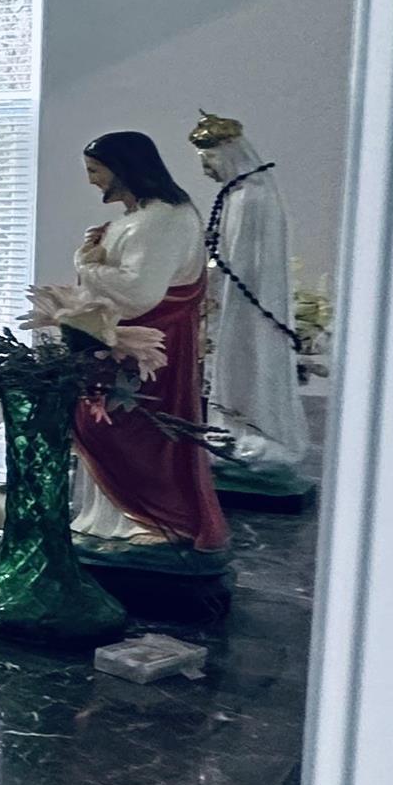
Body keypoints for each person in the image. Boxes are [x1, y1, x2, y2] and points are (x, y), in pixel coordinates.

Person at [62, 130, 227, 552]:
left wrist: (86, 265)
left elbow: (139, 294)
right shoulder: (148, 217)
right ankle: (115, 521)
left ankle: (151, 520)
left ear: (125, 169)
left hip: (144, 346)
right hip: (128, 341)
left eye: (96, 171)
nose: (92, 180)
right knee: (110, 427)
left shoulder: (158, 221)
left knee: (129, 431)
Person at [190, 112, 313, 492]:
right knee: (235, 367)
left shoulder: (250, 199)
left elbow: (235, 263)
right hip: (236, 304)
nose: (207, 171)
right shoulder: (239, 195)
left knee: (248, 364)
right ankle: (234, 431)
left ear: (227, 154)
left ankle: (257, 437)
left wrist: (206, 285)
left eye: (209, 161)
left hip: (244, 307)